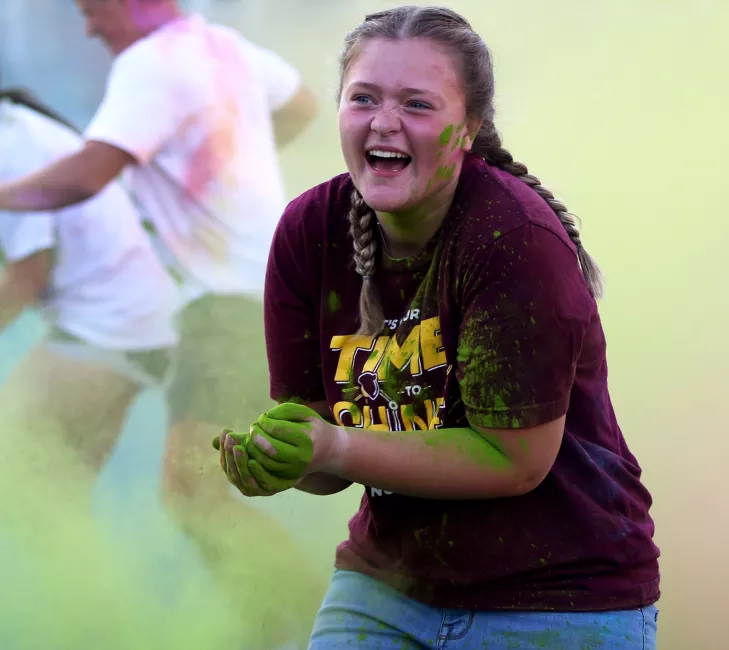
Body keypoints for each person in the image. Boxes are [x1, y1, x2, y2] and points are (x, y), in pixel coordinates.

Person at [212, 6, 662, 648]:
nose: (384, 122)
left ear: (469, 126)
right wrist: (280, 461)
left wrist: (332, 446)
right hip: (388, 585)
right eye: (362, 98)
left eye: (418, 105)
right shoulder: (308, 233)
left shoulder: (512, 238)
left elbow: (515, 460)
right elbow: (324, 456)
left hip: (561, 596)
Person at [0, 0, 322, 645]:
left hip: (231, 305)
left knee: (195, 497)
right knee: (199, 496)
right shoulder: (219, 46)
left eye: (92, 11)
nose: (89, 28)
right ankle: (282, 631)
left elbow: (87, 176)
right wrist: (215, 164)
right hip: (259, 294)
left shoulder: (149, 63)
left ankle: (330, 630)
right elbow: (303, 105)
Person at [0, 83, 176, 515]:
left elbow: (26, 277)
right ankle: (89, 584)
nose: (88, 24)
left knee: (17, 487)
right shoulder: (17, 129)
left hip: (110, 330)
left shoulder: (9, 145)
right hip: (138, 328)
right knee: (55, 505)